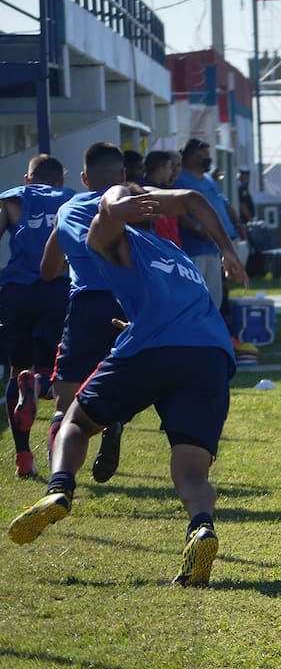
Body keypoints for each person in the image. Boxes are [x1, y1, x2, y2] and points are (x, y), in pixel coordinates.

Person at [8, 175, 247, 586]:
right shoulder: (174, 252)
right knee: (192, 470)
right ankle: (201, 527)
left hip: (149, 350)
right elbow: (190, 198)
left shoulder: (112, 240)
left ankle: (59, 489)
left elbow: (107, 210)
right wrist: (228, 250)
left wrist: (116, 203)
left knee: (76, 423)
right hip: (209, 356)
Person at [40, 143, 132, 483]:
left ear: (83, 178)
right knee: (122, 372)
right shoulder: (130, 207)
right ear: (123, 176)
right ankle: (114, 420)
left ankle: (59, 480)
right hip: (129, 303)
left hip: (87, 305)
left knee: (65, 397)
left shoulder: (67, 209)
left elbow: (47, 270)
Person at [0, 154, 74, 477]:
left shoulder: (12, 198)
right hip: (55, 289)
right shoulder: (70, 198)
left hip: (16, 292)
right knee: (57, 372)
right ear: (60, 180)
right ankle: (40, 386)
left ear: (28, 179)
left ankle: (23, 457)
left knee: (17, 370)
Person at [174, 138, 235, 307]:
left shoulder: (208, 179)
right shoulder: (180, 180)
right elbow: (178, 212)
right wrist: (198, 228)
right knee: (196, 295)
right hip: (195, 248)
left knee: (214, 297)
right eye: (204, 156)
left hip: (214, 247)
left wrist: (236, 223)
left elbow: (221, 202)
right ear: (192, 158)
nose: (208, 160)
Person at [140, 149, 182, 246]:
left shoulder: (167, 189)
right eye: (169, 167)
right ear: (160, 169)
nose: (171, 172)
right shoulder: (141, 191)